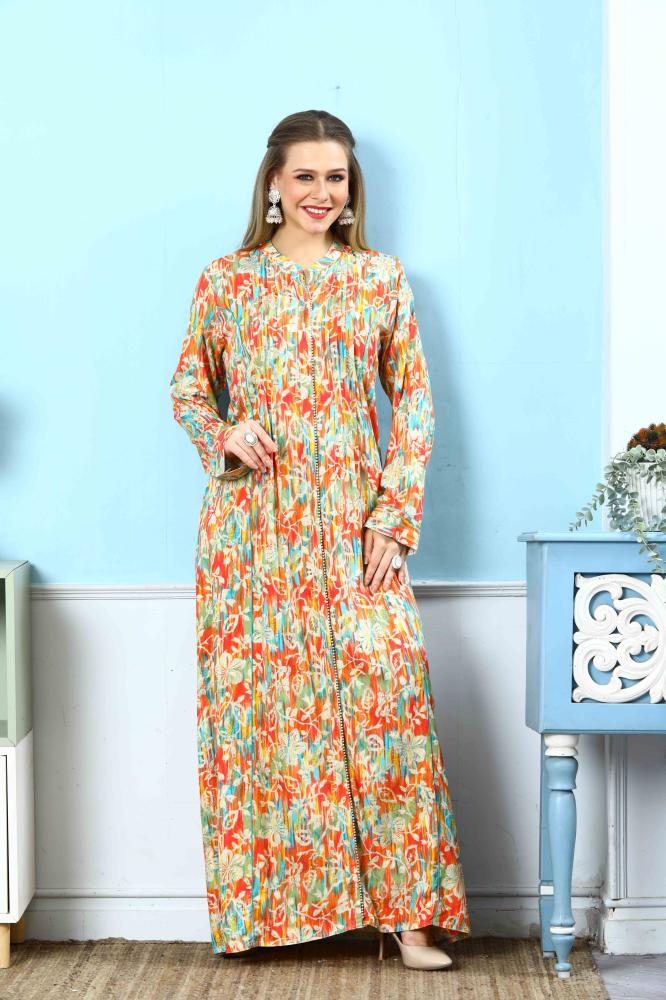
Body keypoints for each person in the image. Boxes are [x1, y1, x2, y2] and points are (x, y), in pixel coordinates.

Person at [169, 109, 471, 970]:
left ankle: (411, 919)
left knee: (389, 707)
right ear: (273, 182)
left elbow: (415, 404)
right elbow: (188, 390)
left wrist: (394, 519)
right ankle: (263, 916)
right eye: (305, 175)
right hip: (251, 537)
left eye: (335, 177)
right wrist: (224, 434)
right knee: (262, 720)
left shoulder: (379, 279)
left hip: (354, 530)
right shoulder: (227, 281)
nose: (321, 192)